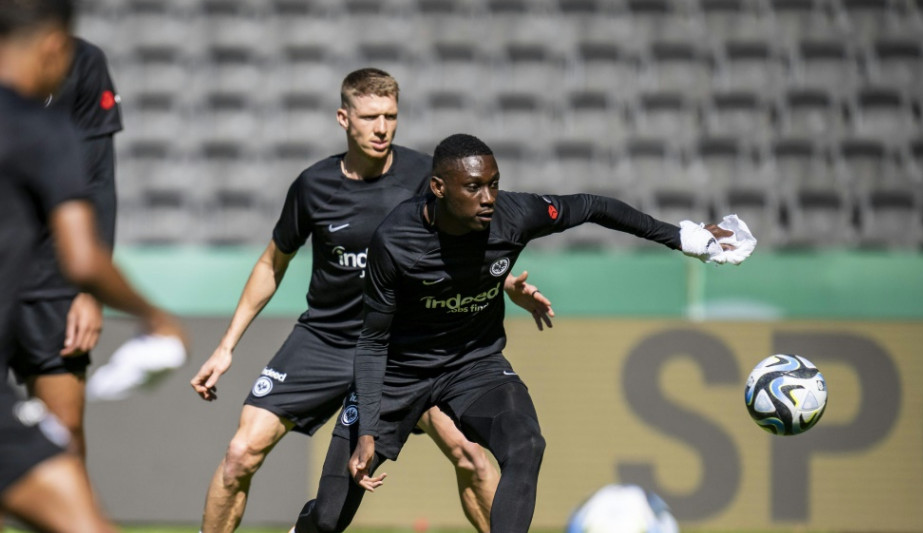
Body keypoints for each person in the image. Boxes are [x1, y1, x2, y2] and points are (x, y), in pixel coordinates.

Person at [294, 133, 753, 533]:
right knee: (331, 518)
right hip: (399, 371)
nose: (489, 196)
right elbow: (373, 341)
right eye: (473, 187)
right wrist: (370, 428)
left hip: (473, 364)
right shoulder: (396, 240)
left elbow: (592, 206)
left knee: (526, 443)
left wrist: (683, 237)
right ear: (438, 188)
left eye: (493, 183)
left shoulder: (514, 215)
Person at [189, 69, 553, 533]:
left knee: (471, 457)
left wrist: (504, 284)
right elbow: (270, 264)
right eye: (369, 117)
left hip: (403, 351)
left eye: (390, 116)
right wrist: (226, 346)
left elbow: (467, 246)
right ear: (344, 118)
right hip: (325, 338)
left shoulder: (429, 177)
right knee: (241, 453)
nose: (381, 128)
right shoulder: (312, 186)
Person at [0, 0, 187, 530]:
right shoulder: (41, 127)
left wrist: (81, 294)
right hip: (52, 278)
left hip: (45, 290)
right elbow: (81, 254)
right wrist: (154, 316)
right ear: (54, 45)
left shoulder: (82, 76)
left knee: (63, 434)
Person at [5, 33, 122, 459]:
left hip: (52, 278)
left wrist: (90, 290)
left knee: (63, 431)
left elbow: (98, 182)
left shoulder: (82, 60)